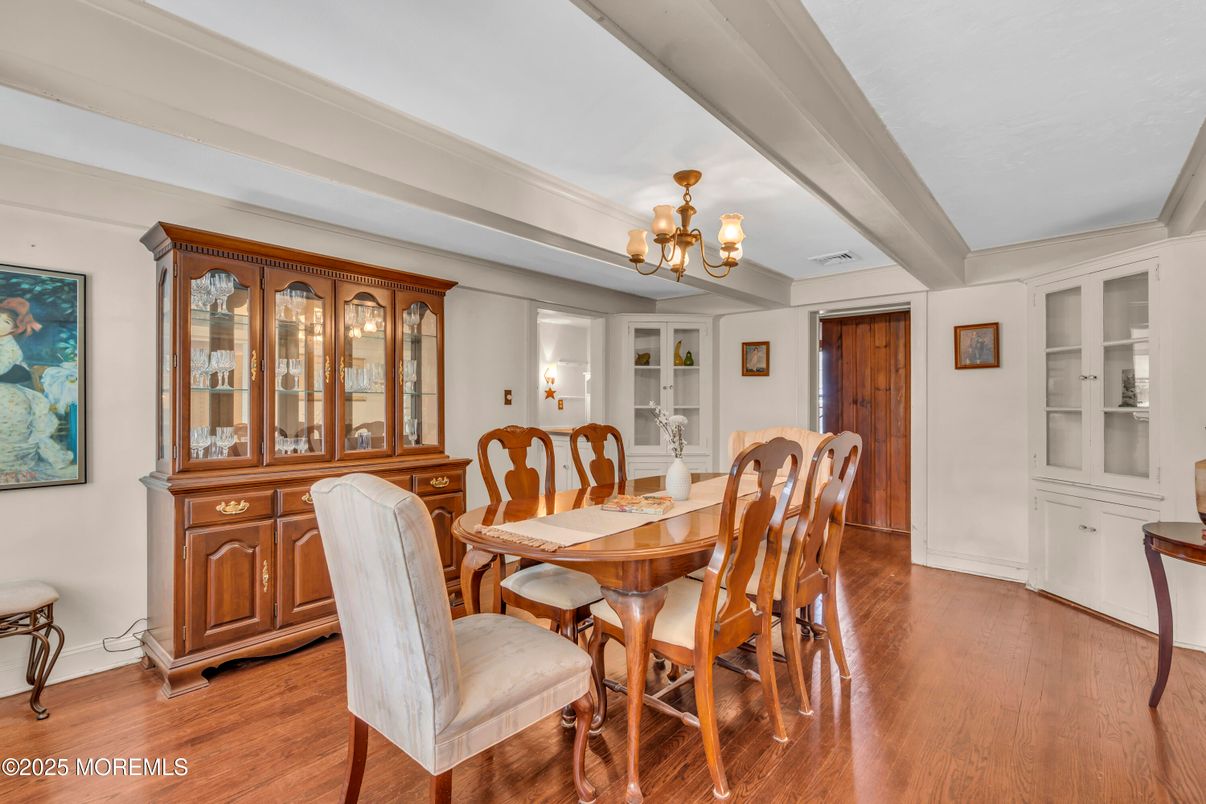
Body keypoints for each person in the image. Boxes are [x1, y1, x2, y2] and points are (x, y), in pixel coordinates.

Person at [0, 298, 73, 484]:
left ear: (13, 329)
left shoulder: (10, 347)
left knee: (9, 418)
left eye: (6, 322)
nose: (0, 324)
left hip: (8, 393)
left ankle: (10, 466)